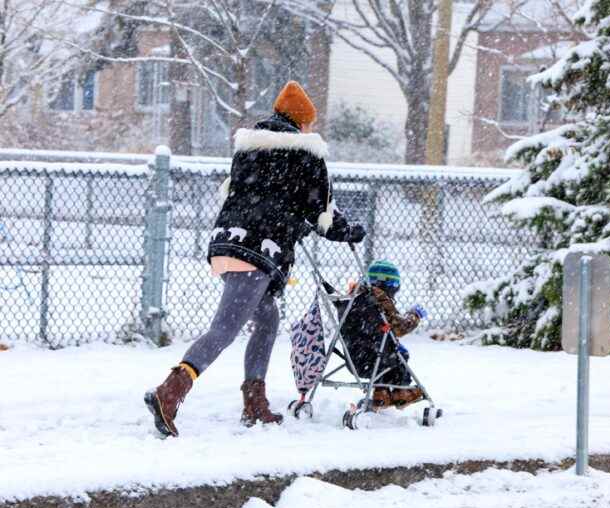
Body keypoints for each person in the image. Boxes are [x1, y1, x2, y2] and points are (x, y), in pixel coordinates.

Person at [145, 81, 365, 437]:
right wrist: (347, 230)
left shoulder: (249, 149)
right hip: (259, 251)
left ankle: (254, 402)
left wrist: (290, 221)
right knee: (225, 329)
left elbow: (258, 195)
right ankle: (170, 392)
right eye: (309, 123)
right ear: (301, 122)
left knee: (266, 320)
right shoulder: (306, 153)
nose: (311, 129)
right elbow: (321, 210)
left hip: (228, 243)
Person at [344, 260, 428, 410]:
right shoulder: (378, 299)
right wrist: (414, 315)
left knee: (382, 348)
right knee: (399, 353)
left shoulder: (353, 298)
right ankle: (400, 392)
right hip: (375, 361)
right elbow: (400, 328)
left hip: (354, 358)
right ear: (388, 284)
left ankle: (381, 394)